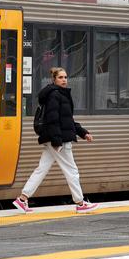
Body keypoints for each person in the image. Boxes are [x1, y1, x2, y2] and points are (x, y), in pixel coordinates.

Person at [13, 67, 99, 214]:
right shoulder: (55, 95)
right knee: (72, 171)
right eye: (60, 77)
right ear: (54, 79)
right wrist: (57, 141)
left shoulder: (59, 94)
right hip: (59, 140)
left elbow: (67, 120)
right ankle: (80, 203)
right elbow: (52, 120)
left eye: (65, 77)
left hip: (54, 139)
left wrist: (83, 133)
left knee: (41, 169)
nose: (64, 80)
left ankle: (22, 199)